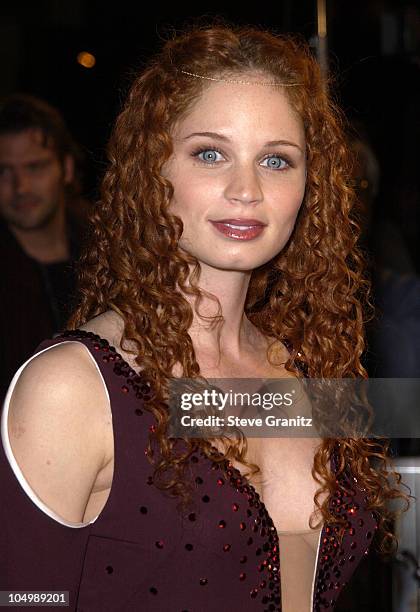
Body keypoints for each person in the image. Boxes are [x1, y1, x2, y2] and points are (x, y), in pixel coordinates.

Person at [0, 25, 408, 612]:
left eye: (276, 159)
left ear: (309, 186)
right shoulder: (73, 388)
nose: (246, 189)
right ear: (154, 169)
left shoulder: (307, 371)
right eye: (210, 153)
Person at [0, 94, 88, 401]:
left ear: (65, 168)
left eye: (35, 167)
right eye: (4, 171)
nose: (20, 187)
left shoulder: (114, 251)